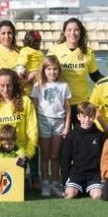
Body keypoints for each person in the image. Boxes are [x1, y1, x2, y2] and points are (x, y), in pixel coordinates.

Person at [0, 69, 38, 176]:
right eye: (2, 85)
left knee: (20, 189)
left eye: (9, 85)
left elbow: (32, 130)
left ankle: (31, 179)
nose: (5, 89)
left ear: (14, 84)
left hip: (20, 153)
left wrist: (27, 154)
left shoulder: (25, 101)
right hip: (1, 152)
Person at [31, 55, 71, 197]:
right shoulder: (38, 85)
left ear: (58, 70)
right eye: (49, 69)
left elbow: (67, 109)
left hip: (59, 122)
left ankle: (55, 182)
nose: (52, 72)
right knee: (45, 155)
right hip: (43, 121)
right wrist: (35, 126)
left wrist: (66, 126)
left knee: (55, 155)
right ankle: (45, 182)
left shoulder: (63, 86)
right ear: (44, 70)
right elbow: (34, 108)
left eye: (55, 69)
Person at [48, 18, 103, 119]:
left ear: (81, 32)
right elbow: (46, 74)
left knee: (82, 134)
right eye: (69, 30)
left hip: (81, 104)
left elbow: (96, 76)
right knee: (64, 134)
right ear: (64, 32)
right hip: (60, 102)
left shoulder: (88, 52)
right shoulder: (54, 50)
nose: (72, 33)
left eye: (76, 30)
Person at [61, 102, 106, 200]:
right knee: (69, 195)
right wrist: (65, 181)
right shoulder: (71, 135)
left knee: (97, 196)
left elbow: (105, 160)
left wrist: (103, 177)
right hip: (76, 175)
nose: (87, 120)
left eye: (90, 117)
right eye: (84, 116)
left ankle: (88, 189)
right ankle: (78, 189)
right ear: (78, 117)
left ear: (94, 117)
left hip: (94, 175)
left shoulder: (100, 136)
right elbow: (65, 160)